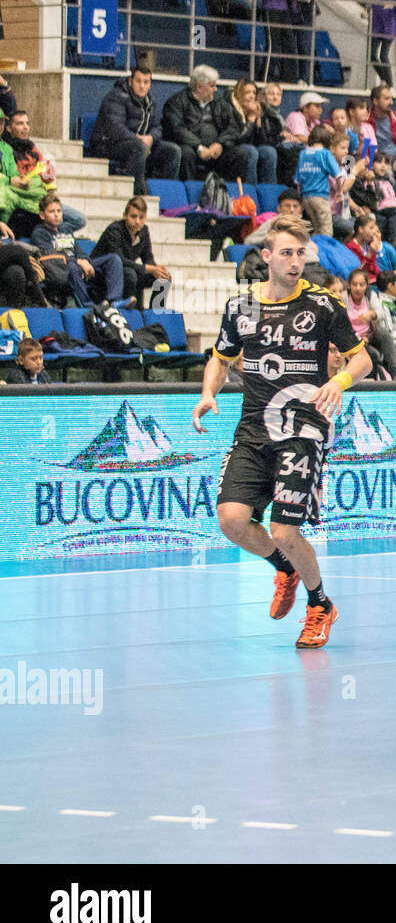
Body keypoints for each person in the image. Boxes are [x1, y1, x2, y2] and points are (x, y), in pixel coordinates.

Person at [194, 215, 372, 649]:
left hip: (302, 430)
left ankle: (319, 605)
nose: (295, 262)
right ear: (267, 256)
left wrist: (337, 382)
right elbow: (221, 357)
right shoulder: (243, 306)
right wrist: (207, 393)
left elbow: (361, 360)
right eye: (287, 253)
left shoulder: (321, 306)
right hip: (253, 429)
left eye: (301, 254)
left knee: (286, 531)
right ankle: (285, 568)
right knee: (232, 521)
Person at [89, 65, 181, 197]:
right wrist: (138, 140)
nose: (142, 86)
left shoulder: (150, 101)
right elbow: (115, 128)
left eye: (146, 82)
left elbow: (158, 127)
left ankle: (169, 198)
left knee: (173, 151)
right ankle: (138, 196)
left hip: (139, 144)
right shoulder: (115, 97)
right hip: (108, 145)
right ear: (130, 81)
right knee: (138, 148)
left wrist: (151, 138)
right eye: (138, 81)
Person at [163, 66, 256, 183]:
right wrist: (199, 147)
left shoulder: (218, 101)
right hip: (192, 148)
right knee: (185, 153)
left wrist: (220, 143)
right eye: (212, 86)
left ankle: (226, 194)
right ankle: (190, 194)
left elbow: (233, 126)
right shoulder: (176, 101)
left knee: (241, 154)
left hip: (215, 149)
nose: (216, 89)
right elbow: (177, 129)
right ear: (199, 86)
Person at [2, 111, 89, 236]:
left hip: (42, 198)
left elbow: (45, 173)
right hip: (26, 200)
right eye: (20, 123)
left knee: (79, 220)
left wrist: (48, 181)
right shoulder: (7, 150)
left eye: (27, 123)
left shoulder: (32, 148)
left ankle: (48, 235)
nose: (26, 127)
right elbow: (21, 181)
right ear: (9, 128)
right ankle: (48, 235)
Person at [31, 194, 124, 307]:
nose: (56, 214)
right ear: (42, 215)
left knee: (113, 259)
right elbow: (52, 259)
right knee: (72, 266)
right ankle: (87, 304)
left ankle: (114, 301)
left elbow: (78, 250)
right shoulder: (39, 233)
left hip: (76, 264)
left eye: (59, 211)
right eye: (52, 211)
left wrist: (85, 261)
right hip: (61, 270)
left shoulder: (65, 230)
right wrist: (77, 262)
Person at [91, 196, 171, 309]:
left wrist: (157, 270)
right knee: (130, 274)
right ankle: (130, 312)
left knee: (164, 277)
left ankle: (156, 312)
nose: (137, 221)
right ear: (125, 216)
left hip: (127, 270)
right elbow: (120, 261)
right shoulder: (114, 230)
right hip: (104, 274)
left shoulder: (144, 231)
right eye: (133, 216)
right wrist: (149, 269)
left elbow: (148, 257)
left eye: (141, 217)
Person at [228, 79, 280, 186]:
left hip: (251, 149)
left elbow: (262, 141)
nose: (252, 96)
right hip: (231, 149)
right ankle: (250, 191)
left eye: (254, 93)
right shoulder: (231, 109)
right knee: (251, 151)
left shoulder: (259, 110)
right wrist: (250, 120)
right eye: (248, 93)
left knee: (269, 151)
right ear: (240, 94)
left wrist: (259, 121)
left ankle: (268, 192)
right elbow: (237, 138)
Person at [370, 0, 396, 89]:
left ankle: (390, 85)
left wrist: (394, 5)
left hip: (389, 27)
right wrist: (367, 8)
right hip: (376, 26)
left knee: (383, 55)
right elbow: (370, 2)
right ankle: (385, 79)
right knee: (372, 56)